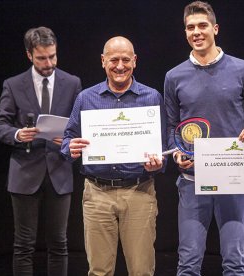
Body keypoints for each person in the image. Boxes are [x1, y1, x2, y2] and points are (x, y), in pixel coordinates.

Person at [164, 1, 244, 275]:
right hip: (192, 181)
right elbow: (171, 127)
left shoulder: (242, 68)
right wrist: (176, 151)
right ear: (185, 32)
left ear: (215, 28)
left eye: (202, 26)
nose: (196, 32)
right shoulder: (174, 76)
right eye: (190, 27)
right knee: (188, 264)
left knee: (235, 263)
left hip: (233, 179)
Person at [61, 36, 166, 276]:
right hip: (96, 194)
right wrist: (70, 148)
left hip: (139, 192)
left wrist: (158, 164)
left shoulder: (152, 98)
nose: (120, 66)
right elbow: (67, 140)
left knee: (142, 271)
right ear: (103, 61)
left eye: (126, 59)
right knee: (99, 271)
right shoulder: (86, 98)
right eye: (114, 59)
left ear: (135, 61)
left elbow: (164, 147)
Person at [0, 26, 82, 276]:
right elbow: (0, 126)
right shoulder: (13, 85)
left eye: (53, 56)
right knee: (23, 245)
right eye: (42, 58)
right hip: (24, 171)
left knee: (59, 244)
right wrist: (18, 135)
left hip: (59, 170)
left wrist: (71, 140)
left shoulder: (72, 82)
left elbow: (79, 125)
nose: (49, 63)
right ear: (29, 55)